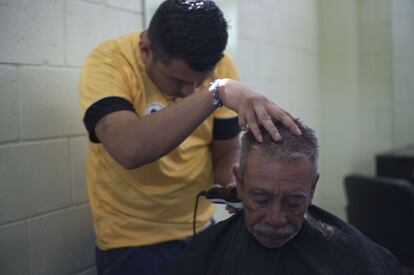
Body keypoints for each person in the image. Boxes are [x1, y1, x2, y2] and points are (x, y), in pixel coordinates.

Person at [77, 0, 301, 274]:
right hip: (130, 241)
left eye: (199, 82)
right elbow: (128, 148)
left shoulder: (222, 68)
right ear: (145, 49)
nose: (189, 92)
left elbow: (223, 151)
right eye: (178, 81)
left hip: (200, 228)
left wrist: (236, 180)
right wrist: (214, 93)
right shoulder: (109, 62)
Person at [169, 119, 403, 275]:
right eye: (261, 199)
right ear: (239, 183)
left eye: (293, 202)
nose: (275, 219)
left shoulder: (354, 258)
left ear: (312, 189)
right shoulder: (205, 254)